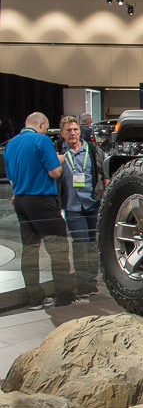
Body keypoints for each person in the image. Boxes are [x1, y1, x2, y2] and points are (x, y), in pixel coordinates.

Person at [3, 113, 78, 309]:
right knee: (58, 250)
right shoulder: (42, 140)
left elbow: (11, 178)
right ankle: (65, 298)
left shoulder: (10, 144)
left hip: (21, 201)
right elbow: (54, 172)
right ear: (42, 124)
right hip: (42, 201)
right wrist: (59, 160)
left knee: (29, 251)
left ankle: (35, 299)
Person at [58, 116, 109, 297]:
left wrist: (105, 197)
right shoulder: (58, 152)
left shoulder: (93, 150)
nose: (73, 133)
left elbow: (104, 174)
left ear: (80, 131)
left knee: (92, 244)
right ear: (62, 134)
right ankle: (82, 284)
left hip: (92, 204)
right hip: (72, 206)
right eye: (68, 130)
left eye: (75, 130)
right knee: (80, 245)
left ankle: (91, 282)